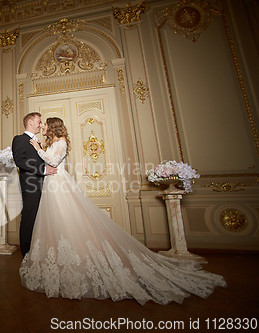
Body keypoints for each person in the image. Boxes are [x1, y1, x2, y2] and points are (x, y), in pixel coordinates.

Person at [19, 117, 226, 305]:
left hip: (60, 186)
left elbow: (53, 162)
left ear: (52, 127)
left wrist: (38, 148)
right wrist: (40, 150)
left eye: (44, 124)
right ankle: (60, 265)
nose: (42, 127)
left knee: (70, 221)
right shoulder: (52, 142)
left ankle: (81, 261)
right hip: (51, 186)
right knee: (56, 224)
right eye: (40, 124)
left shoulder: (60, 142)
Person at [12, 113, 57, 257]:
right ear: (30, 122)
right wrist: (43, 170)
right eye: (39, 122)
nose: (41, 125)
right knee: (29, 219)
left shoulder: (39, 141)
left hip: (45, 185)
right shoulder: (20, 139)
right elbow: (20, 161)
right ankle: (26, 255)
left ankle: (39, 253)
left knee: (41, 220)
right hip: (31, 186)